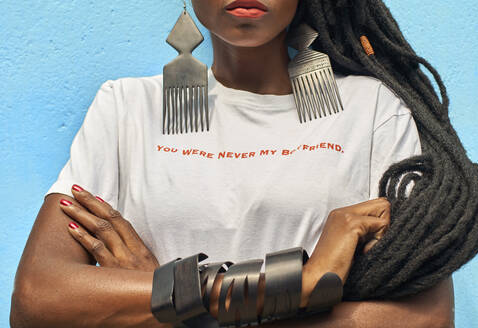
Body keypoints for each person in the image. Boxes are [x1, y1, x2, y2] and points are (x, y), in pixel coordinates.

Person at [10, 0, 455, 327]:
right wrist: (296, 286)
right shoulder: (127, 106)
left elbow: (427, 319)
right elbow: (35, 299)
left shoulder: (372, 109)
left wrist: (173, 304)